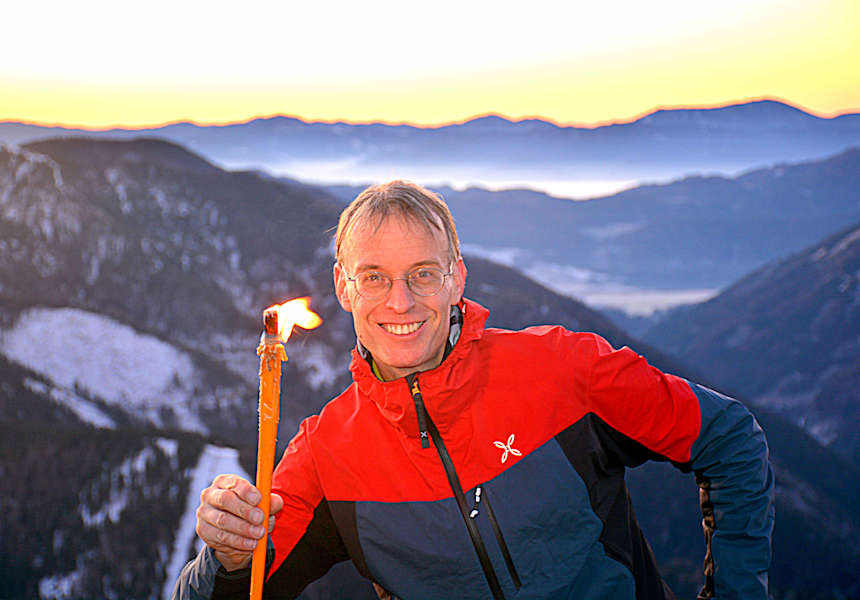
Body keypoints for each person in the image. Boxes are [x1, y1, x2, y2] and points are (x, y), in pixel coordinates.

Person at [172, 180, 774, 600]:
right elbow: (223, 596)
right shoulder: (325, 455)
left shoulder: (563, 368)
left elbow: (728, 438)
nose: (400, 301)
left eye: (423, 274)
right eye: (374, 278)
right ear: (343, 286)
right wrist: (228, 556)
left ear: (457, 275)